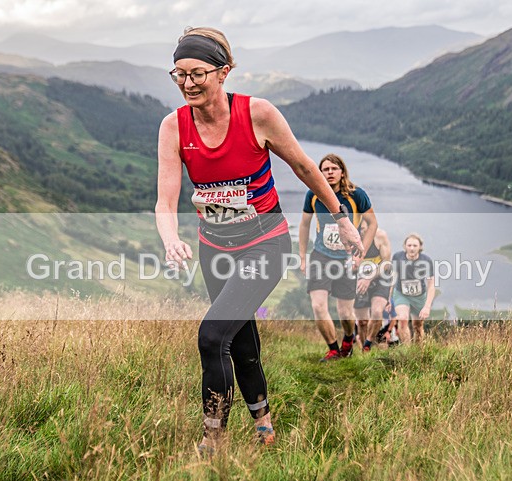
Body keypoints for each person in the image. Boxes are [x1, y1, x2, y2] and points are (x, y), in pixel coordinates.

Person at [155, 27, 363, 455]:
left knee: (212, 337)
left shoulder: (257, 114)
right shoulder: (173, 127)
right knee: (240, 342)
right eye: (179, 74)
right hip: (215, 250)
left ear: (224, 72)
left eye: (198, 74)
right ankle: (265, 427)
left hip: (265, 244)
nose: (188, 83)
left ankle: (212, 441)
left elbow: (305, 168)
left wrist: (340, 219)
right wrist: (171, 238)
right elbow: (164, 201)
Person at [298, 154, 377, 362]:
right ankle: (333, 349)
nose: (330, 172)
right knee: (318, 305)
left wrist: (361, 255)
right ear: (320, 173)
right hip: (321, 256)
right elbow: (305, 224)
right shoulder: (313, 194)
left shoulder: (356, 195)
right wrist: (303, 256)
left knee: (345, 312)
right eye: (325, 169)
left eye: (334, 168)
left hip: (347, 259)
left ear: (342, 171)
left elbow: (372, 224)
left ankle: (349, 339)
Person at [354, 218, 392, 352]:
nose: (363, 233)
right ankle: (365, 351)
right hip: (358, 279)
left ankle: (368, 344)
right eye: (359, 231)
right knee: (362, 321)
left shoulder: (380, 236)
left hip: (380, 277)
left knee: (376, 312)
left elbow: (387, 264)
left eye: (365, 229)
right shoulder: (350, 238)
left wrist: (369, 278)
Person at [391, 233, 436, 344]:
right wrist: (388, 299)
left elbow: (431, 286)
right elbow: (392, 278)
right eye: (409, 245)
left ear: (420, 247)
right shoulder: (397, 257)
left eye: (415, 246)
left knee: (417, 326)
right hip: (401, 293)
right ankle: (407, 352)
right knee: (402, 319)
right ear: (404, 246)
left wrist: (427, 307)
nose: (411, 248)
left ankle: (418, 352)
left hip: (419, 295)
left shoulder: (426, 261)